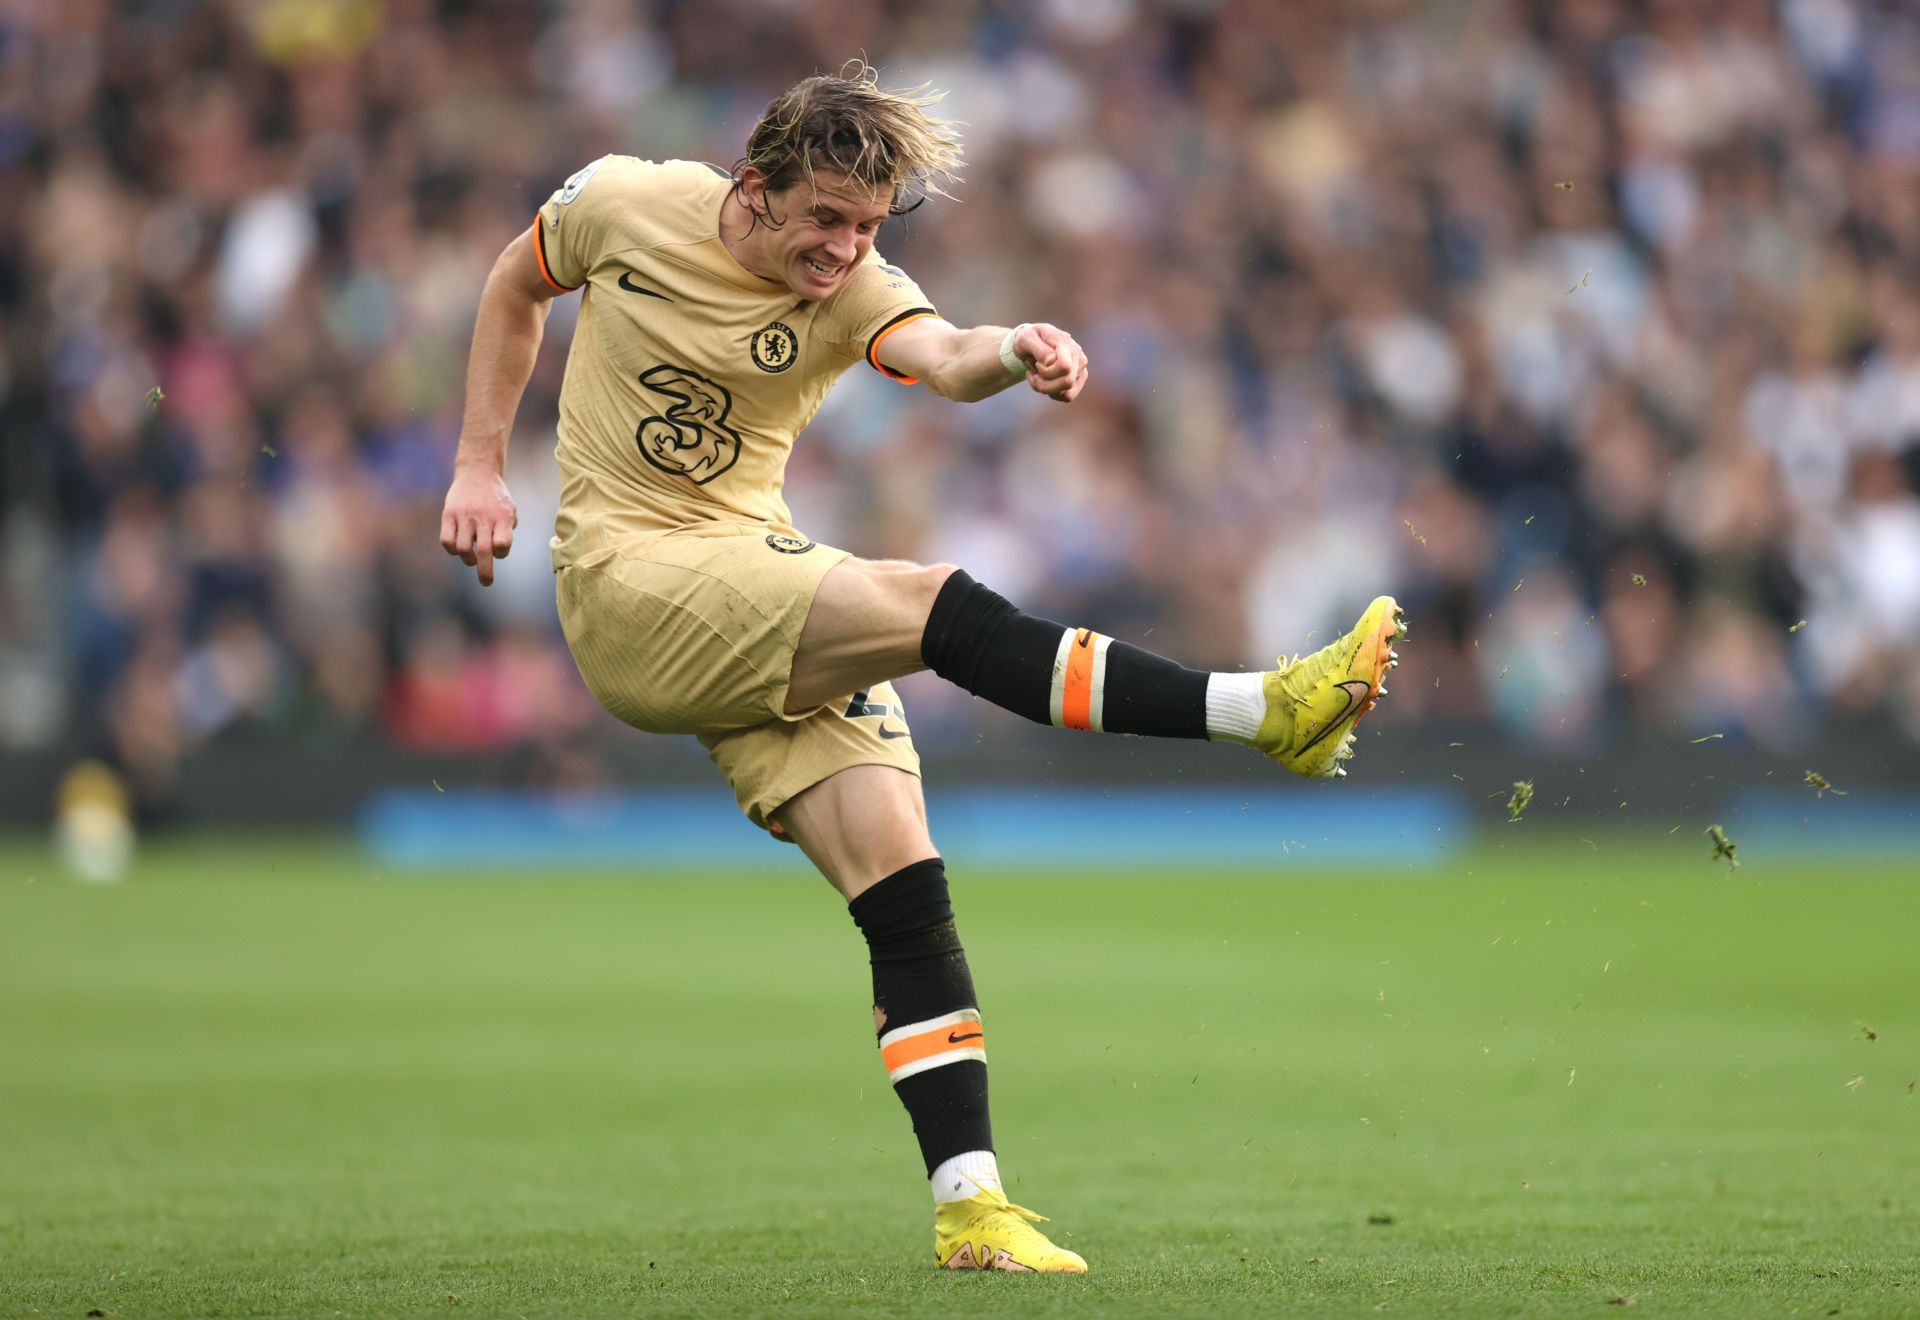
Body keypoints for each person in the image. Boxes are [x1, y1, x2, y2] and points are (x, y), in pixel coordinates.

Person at [439, 63, 1403, 1274]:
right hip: (630, 585)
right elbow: (514, 282)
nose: (843, 249)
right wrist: (481, 464)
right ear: (754, 187)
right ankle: (1266, 710)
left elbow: (943, 354)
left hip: (748, 576)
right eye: (824, 220)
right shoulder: (624, 201)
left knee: (905, 882)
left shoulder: (857, 289)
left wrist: (1018, 349)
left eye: (866, 226)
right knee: (932, 603)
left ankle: (971, 1206)